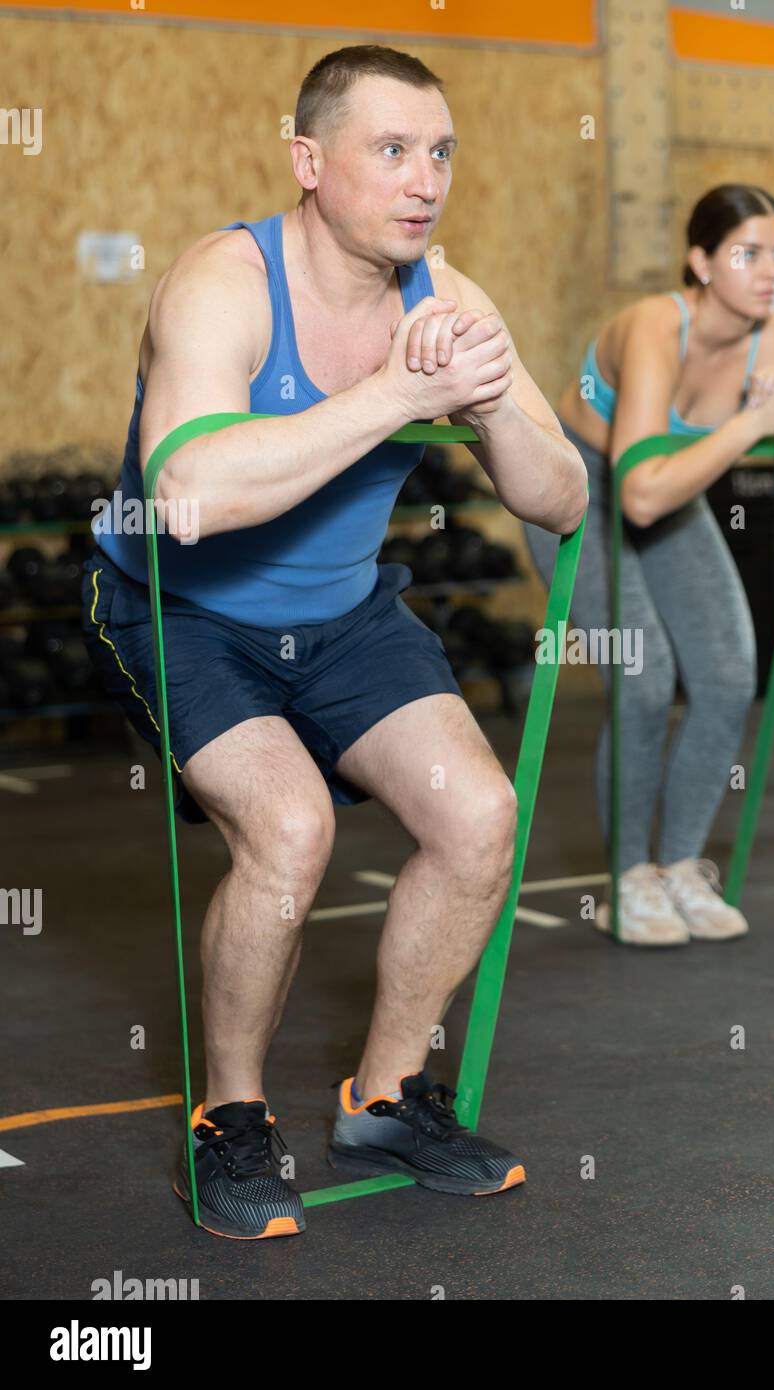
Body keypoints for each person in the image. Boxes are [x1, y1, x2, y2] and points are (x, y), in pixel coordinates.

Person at [79, 44, 587, 1239]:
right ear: (309, 161)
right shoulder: (224, 283)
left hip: (346, 614)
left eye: (441, 152)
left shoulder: (448, 303)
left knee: (479, 819)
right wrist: (395, 400)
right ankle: (233, 1120)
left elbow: (560, 499)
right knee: (290, 829)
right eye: (392, 149)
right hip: (181, 609)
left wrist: (491, 397)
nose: (425, 180)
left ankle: (387, 1095)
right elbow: (189, 495)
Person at [524, 185, 774, 947]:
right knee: (643, 678)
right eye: (749, 253)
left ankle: (682, 865)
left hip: (672, 489)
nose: (772, 272)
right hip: (579, 491)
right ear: (700, 261)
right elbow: (634, 495)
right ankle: (629, 879)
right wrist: (751, 424)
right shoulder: (655, 326)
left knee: (728, 675)